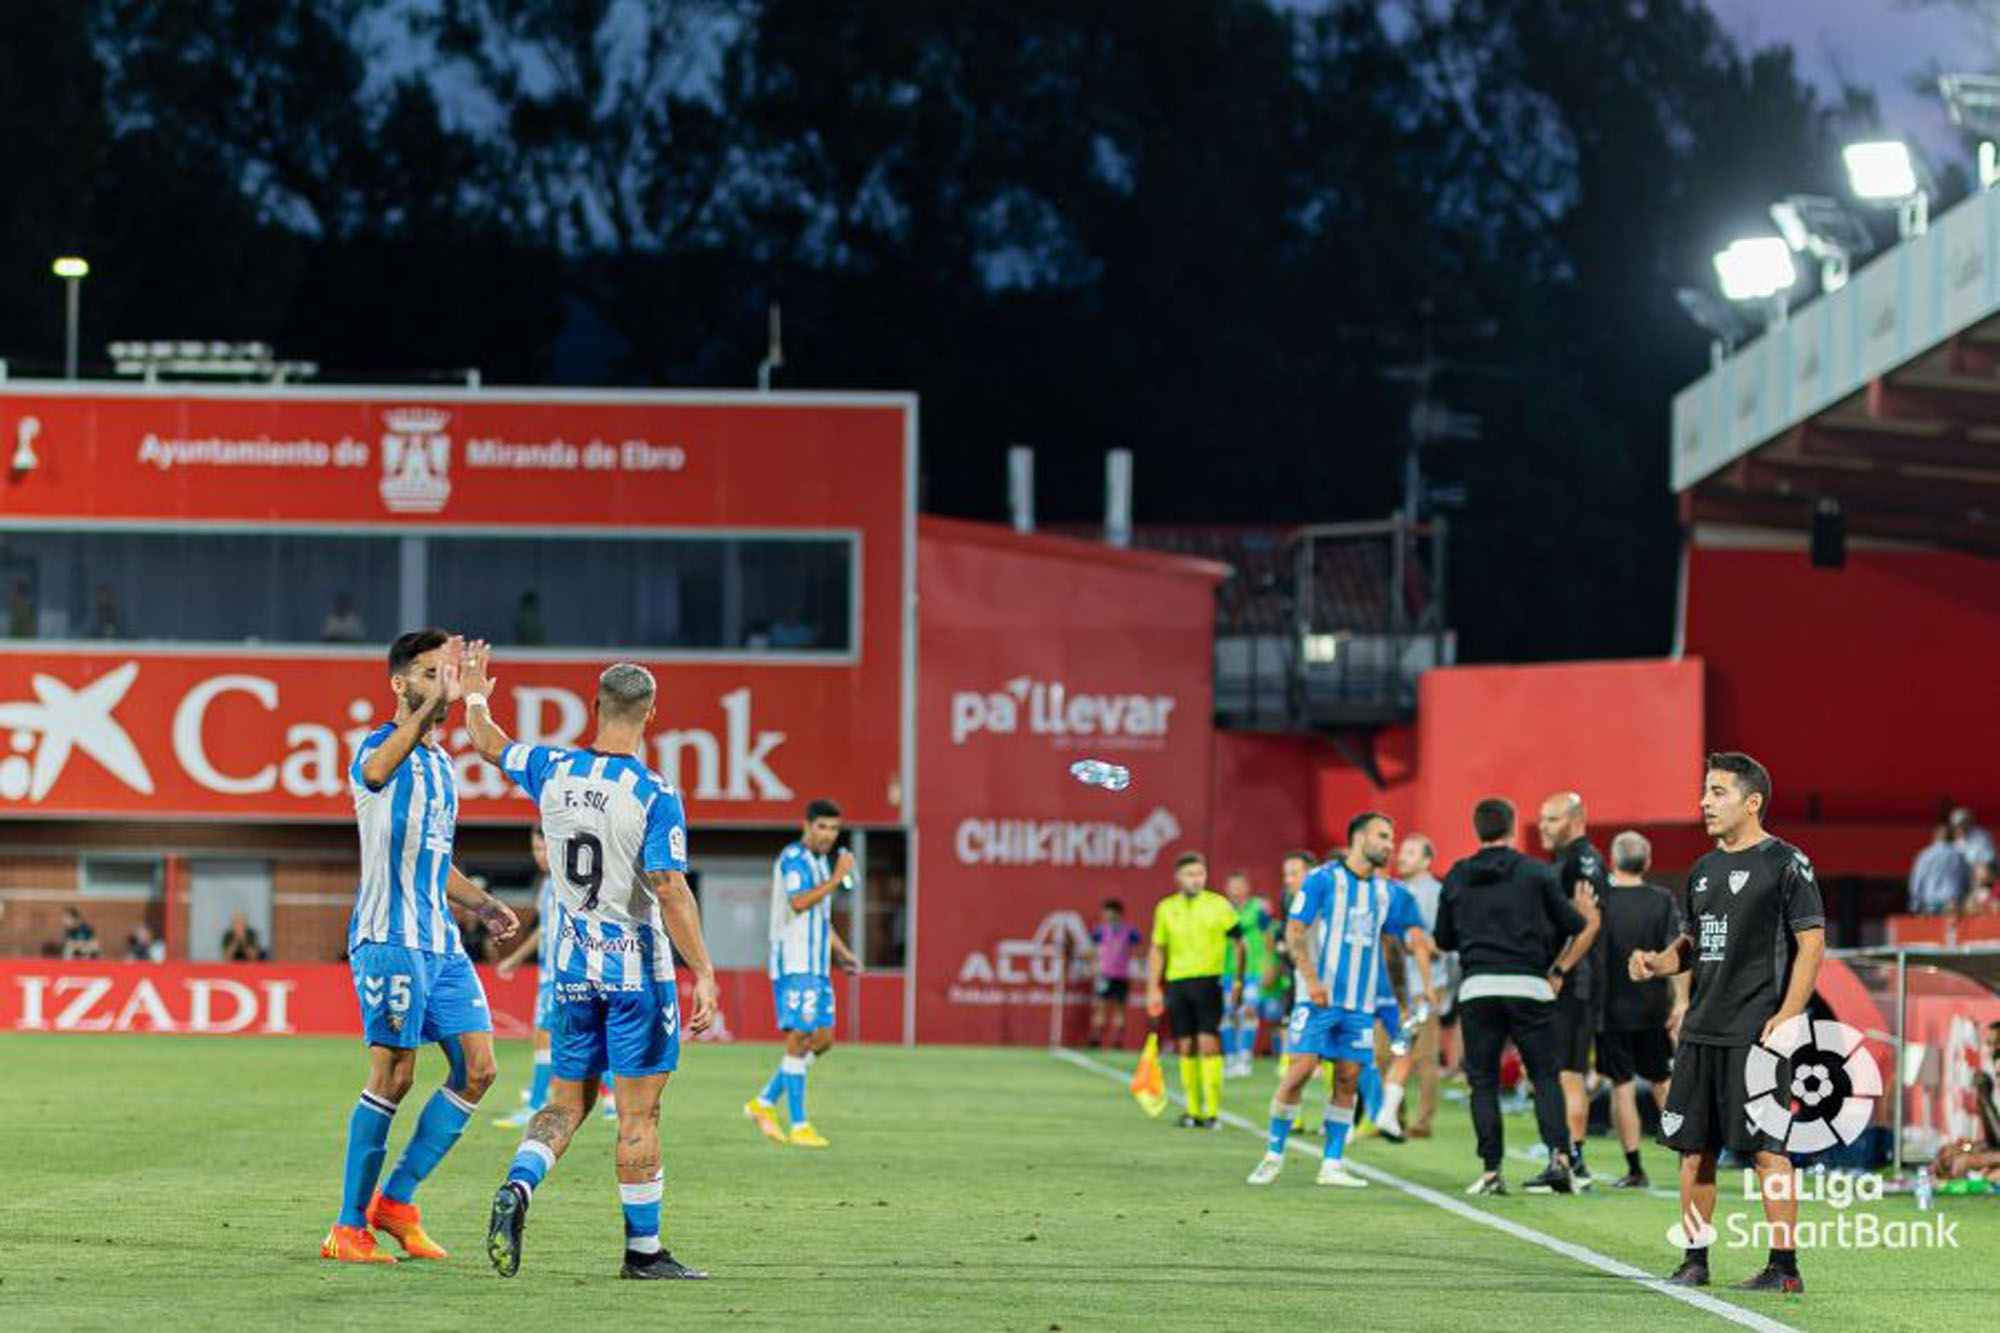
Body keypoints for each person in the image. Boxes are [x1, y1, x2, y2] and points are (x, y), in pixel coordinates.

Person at [463, 648, 721, 1281]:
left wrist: (473, 695)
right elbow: (669, 888)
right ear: (651, 715)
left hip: (573, 973)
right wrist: (706, 972)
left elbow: (490, 743)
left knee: (564, 1101)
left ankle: (520, 1185)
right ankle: (643, 1253)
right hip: (637, 977)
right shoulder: (655, 794)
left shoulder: (553, 766)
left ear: (593, 706)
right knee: (638, 1115)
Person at [320, 630, 521, 1266]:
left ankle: (396, 1203)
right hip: (389, 938)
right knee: (396, 1074)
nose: (446, 682)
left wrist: (481, 902)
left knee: (480, 1069)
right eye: (431, 673)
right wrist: (436, 705)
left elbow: (433, 858)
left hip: (440, 940)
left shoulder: (440, 765)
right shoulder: (380, 748)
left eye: (450, 672)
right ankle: (347, 1227)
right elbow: (377, 774)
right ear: (400, 684)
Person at [1631, 752, 1826, 1295]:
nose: (1704, 802)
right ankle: (1694, 1259)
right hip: (1699, 1033)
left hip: (1755, 1033)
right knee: (1694, 1150)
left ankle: (1784, 1267)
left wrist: (1787, 1015)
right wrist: (1658, 962)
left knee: (1768, 1151)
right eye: (1705, 791)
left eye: (1717, 792)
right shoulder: (1701, 870)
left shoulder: (1787, 864)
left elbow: (1812, 944)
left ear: (1752, 801)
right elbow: (1692, 945)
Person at [1248, 814, 1435, 1187]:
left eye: (1391, 838)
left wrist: (1401, 1000)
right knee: (1299, 1071)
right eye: (1383, 836)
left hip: (1360, 1006)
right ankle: (1273, 1154)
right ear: (1359, 838)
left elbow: (1393, 948)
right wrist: (1311, 979)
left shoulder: (1388, 892)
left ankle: (1331, 1163)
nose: (1389, 845)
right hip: (1316, 1000)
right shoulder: (1322, 879)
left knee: (1348, 1080)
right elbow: (1295, 929)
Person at [1435, 797, 1594, 1197]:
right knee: (1544, 1076)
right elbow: (1574, 923)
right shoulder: (1535, 872)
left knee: (1483, 1081)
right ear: (1511, 827)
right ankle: (1560, 1158)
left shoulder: (1457, 875)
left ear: (1477, 829)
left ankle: (1491, 1172)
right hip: (1530, 985)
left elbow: (1443, 938)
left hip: (1479, 986)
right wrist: (1579, 911)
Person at [744, 799, 861, 1149]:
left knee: (823, 1040)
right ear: (807, 826)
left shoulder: (821, 863)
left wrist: (842, 954)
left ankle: (763, 1102)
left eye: (834, 828)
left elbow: (820, 919)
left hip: (817, 965)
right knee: (798, 1039)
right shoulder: (794, 858)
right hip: (794, 963)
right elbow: (799, 903)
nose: (828, 834)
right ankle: (799, 1124)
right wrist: (839, 878)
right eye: (822, 827)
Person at [494, 829, 617, 1127]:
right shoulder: (548, 885)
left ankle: (536, 1104)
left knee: (543, 1036)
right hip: (551, 973)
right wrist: (516, 957)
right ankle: (613, 1099)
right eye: (534, 849)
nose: (538, 855)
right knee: (582, 1037)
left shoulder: (568, 882)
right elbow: (544, 929)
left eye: (542, 848)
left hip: (561, 975)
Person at [1597, 831, 1687, 1190]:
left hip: (1609, 1008)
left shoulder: (1601, 901)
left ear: (1612, 859)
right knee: (1663, 1083)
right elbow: (1680, 952)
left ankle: (1635, 1168)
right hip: (1652, 1007)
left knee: (1621, 1086)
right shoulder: (1661, 900)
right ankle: (1688, 1157)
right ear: (1647, 862)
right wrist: (1682, 1001)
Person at [1536, 792, 1609, 1188]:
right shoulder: (1566, 860)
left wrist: (1559, 969)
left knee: (1567, 1072)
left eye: (1551, 819)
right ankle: (1566, 1155)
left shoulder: (1582, 861)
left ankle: (1572, 1157)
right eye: (1542, 819)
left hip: (1573, 982)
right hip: (1571, 980)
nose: (1543, 826)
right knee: (1561, 1069)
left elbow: (1590, 923)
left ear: (1575, 819)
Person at [1145, 852, 1243, 1129]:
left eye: (1200, 874)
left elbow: (1239, 944)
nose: (1196, 879)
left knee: (1209, 1044)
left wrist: (1237, 980)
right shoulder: (1165, 908)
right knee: (1185, 1046)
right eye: (1190, 874)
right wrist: (1153, 987)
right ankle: (1192, 1111)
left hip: (1209, 982)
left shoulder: (1218, 905)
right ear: (1178, 878)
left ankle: (1212, 1112)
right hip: (1177, 983)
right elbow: (1158, 949)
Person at [1376, 833, 1447, 1139]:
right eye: (1401, 850)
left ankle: (1423, 1122)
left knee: (1424, 1057)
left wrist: (1399, 942)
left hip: (1423, 985)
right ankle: (1392, 1116)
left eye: (1410, 852)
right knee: (1383, 1054)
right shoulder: (1395, 890)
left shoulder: (1434, 893)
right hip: (1393, 987)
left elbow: (1438, 943)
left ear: (1427, 860)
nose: (1401, 856)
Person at [1220, 870, 1279, 1077]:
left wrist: (1269, 964)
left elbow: (1268, 937)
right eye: (1232, 886)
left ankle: (1244, 1057)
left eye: (1239, 886)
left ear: (1247, 888)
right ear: (1227, 888)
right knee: (1227, 1013)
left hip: (1252, 970)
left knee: (1248, 1012)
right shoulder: (1222, 910)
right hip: (1228, 971)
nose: (1236, 890)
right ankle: (1229, 1057)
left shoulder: (1257, 910)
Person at [1083, 899, 1143, 1050]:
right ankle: (1096, 1038)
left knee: (1119, 1009)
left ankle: (1116, 1040)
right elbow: (1088, 950)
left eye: (1109, 912)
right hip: (1106, 975)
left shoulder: (1128, 931)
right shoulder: (1101, 931)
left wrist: (1138, 966)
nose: (1106, 915)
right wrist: (1091, 961)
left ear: (1117, 913)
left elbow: (1140, 950)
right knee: (1102, 1007)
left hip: (1119, 975)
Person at [1909, 824, 1970, 916]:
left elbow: (1917, 881)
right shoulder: (1958, 855)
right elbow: (1965, 879)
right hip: (1951, 901)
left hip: (1930, 901)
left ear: (1935, 837)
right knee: (1950, 930)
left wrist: (1915, 904)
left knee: (1932, 929)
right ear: (1951, 838)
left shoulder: (1924, 855)